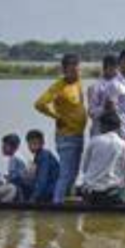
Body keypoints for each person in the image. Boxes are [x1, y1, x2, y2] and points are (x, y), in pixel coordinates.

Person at [34, 54, 88, 204]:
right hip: (66, 137)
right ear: (64, 70)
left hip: (79, 135)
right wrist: (56, 117)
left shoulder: (78, 83)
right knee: (65, 175)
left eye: (78, 69)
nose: (77, 73)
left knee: (74, 173)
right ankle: (57, 204)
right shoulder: (58, 87)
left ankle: (68, 201)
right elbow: (39, 104)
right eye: (73, 70)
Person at [82, 111, 125, 205]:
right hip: (114, 195)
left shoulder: (93, 142)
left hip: (91, 194)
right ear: (118, 127)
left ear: (103, 126)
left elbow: (85, 169)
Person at [88, 54, 125, 140]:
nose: (117, 72)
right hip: (101, 133)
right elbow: (91, 112)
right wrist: (104, 108)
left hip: (123, 131)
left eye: (117, 68)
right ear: (106, 68)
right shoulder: (95, 87)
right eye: (114, 68)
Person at [25, 130, 61, 204]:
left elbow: (42, 180)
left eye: (34, 143)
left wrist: (33, 199)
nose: (31, 146)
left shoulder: (44, 155)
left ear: (42, 143)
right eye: (29, 143)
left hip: (51, 190)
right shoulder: (39, 156)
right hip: (49, 189)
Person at [2, 133, 31, 201]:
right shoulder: (19, 156)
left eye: (4, 146)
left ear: (12, 147)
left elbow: (13, 178)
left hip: (21, 190)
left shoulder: (14, 158)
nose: (2, 148)